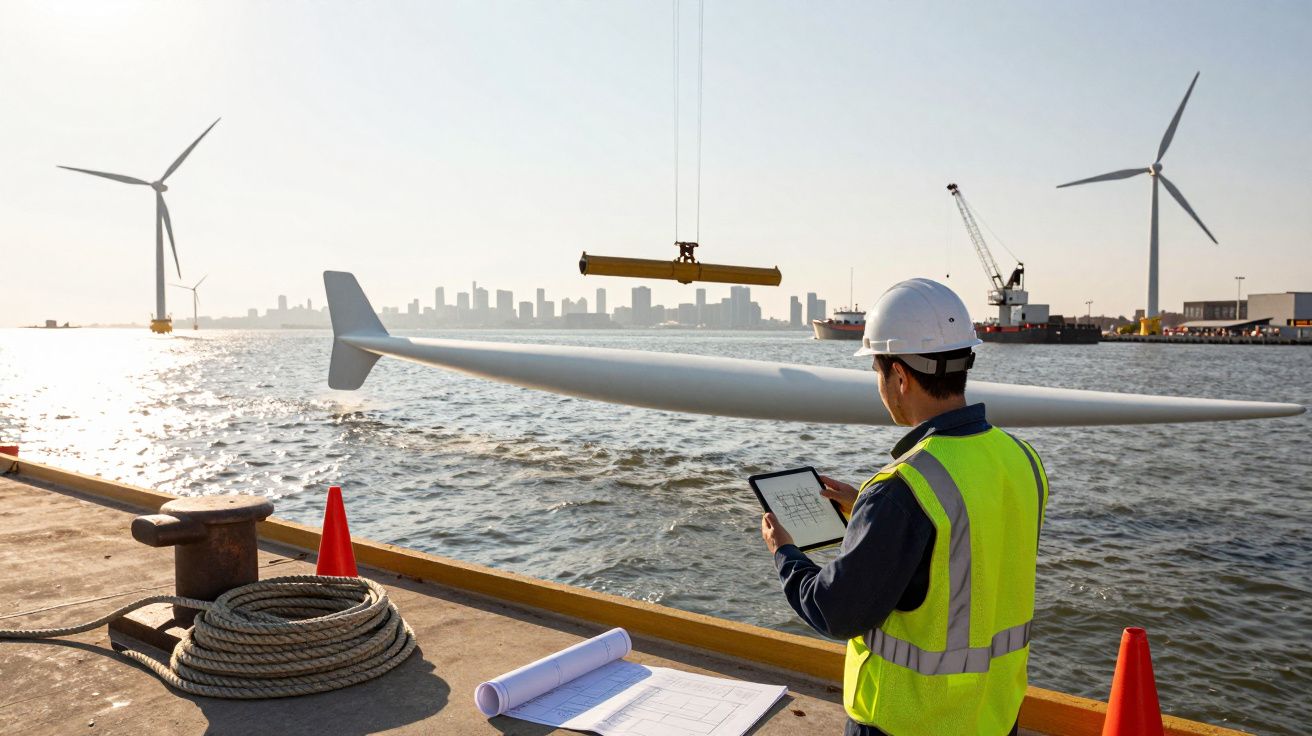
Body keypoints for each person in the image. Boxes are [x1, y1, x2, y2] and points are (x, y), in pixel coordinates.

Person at [760, 278, 1049, 736]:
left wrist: (786, 554)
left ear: (899, 375)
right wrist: (867, 511)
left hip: (907, 723)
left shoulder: (903, 489)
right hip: (992, 716)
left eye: (876, 372)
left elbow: (836, 611)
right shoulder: (1022, 459)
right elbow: (965, 545)